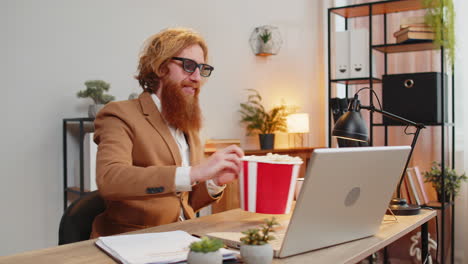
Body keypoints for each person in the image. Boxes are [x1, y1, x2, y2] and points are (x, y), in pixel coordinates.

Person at [90, 28, 244, 238]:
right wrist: (193, 172)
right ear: (161, 67)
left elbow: (183, 203)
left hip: (181, 238)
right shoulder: (119, 114)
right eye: (189, 66)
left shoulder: (187, 125)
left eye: (202, 69)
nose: (197, 78)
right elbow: (110, 178)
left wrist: (215, 182)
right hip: (132, 241)